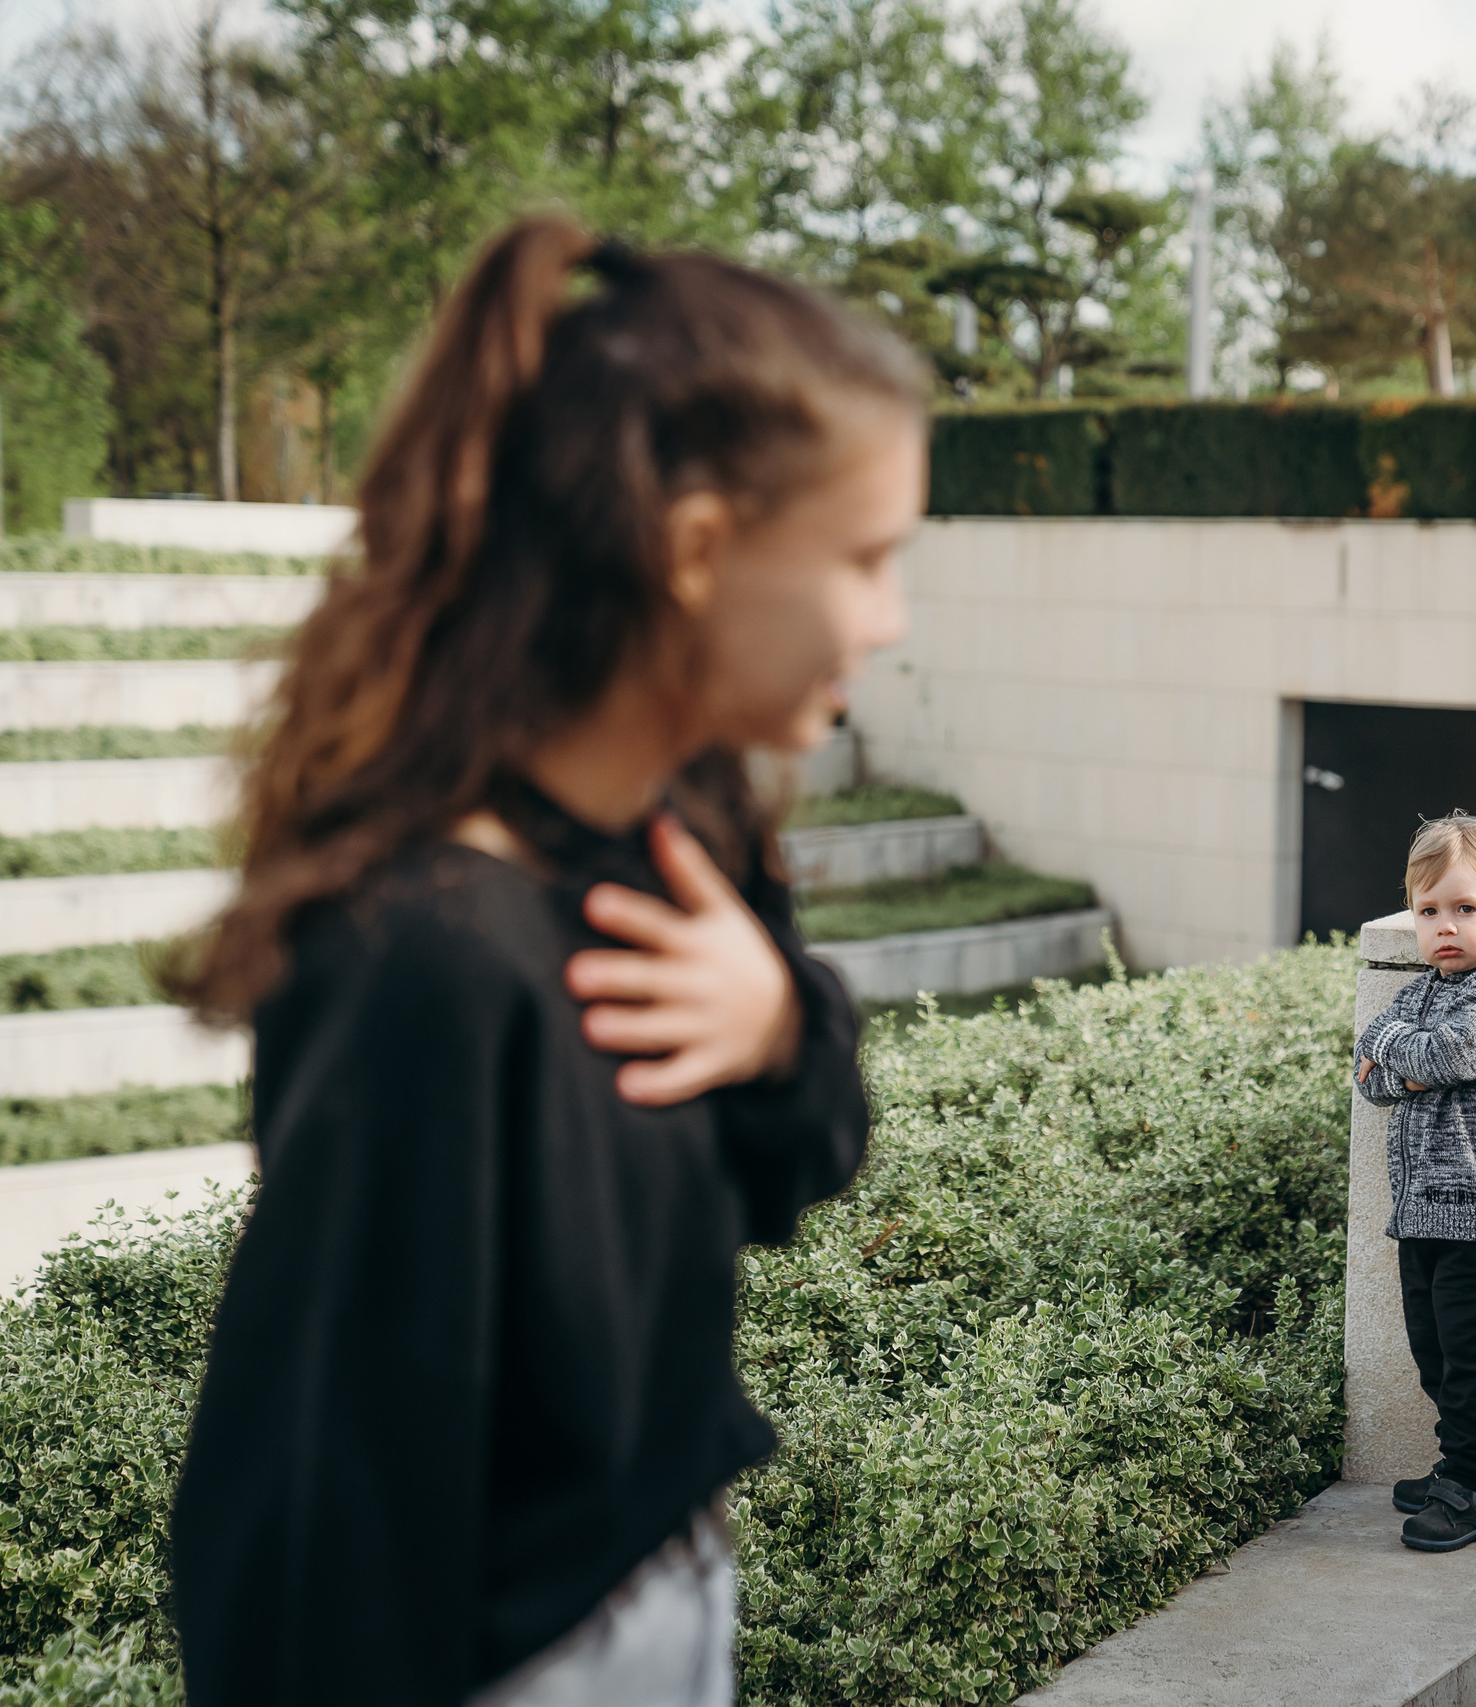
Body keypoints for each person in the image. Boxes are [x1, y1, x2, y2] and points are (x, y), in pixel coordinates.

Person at [165, 217, 927, 1707]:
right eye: (866, 557)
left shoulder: (679, 833)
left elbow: (805, 1157)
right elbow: (323, 1515)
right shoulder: (428, 961)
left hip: (671, 1593)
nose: (892, 619)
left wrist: (782, 1025)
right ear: (696, 548)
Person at [1354, 812, 1476, 1554]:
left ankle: (1464, 1486)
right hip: (1421, 1215)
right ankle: (1474, 1472)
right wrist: (1402, 1057)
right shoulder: (1418, 994)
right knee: (1432, 1352)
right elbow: (1371, 1080)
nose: (1447, 927)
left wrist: (1396, 1052)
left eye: (1466, 908)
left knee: (1471, 1365)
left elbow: (1438, 1057)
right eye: (1429, 911)